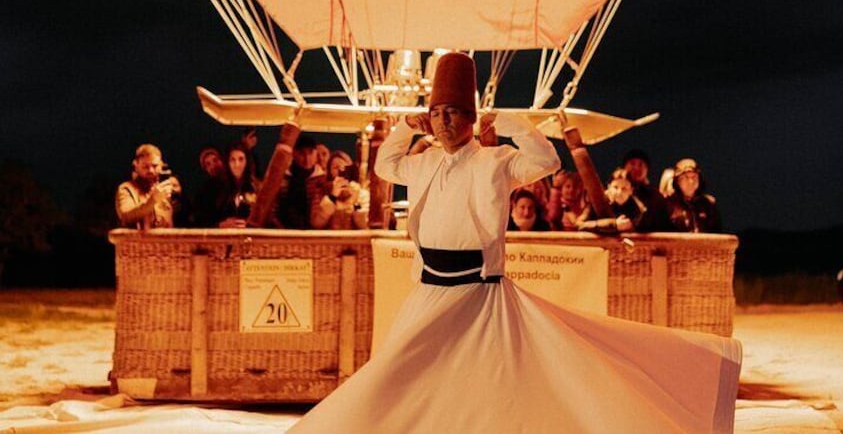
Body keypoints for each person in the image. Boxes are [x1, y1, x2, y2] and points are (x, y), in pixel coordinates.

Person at [289, 52, 741, 433]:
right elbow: (385, 164)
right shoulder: (422, 163)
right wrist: (409, 124)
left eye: (453, 113)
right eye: (438, 114)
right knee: (405, 378)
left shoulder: (496, 160)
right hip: (429, 292)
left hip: (480, 295)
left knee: (494, 384)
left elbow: (545, 160)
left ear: (470, 117)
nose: (444, 123)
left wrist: (506, 122)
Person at [115, 144, 183, 229]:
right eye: (145, 166)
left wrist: (179, 195)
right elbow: (126, 216)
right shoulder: (126, 188)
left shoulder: (168, 187)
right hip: (139, 241)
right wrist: (152, 200)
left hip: (166, 241)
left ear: (161, 165)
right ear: (136, 166)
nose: (151, 170)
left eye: (155, 166)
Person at [273, 135, 325, 229]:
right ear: (294, 153)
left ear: (316, 153)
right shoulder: (281, 178)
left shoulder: (323, 180)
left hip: (315, 234)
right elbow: (272, 210)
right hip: (284, 234)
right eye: (302, 153)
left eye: (310, 153)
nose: (307, 158)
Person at [577, 168, 648, 233]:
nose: (619, 192)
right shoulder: (598, 201)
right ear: (609, 187)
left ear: (631, 191)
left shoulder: (637, 209)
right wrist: (613, 224)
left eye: (624, 189)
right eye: (615, 187)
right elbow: (579, 224)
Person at [310, 150, 368, 230]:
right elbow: (316, 223)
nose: (340, 170)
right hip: (330, 240)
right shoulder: (321, 191)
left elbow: (364, 225)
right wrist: (332, 197)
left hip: (354, 240)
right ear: (330, 171)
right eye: (336, 167)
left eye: (344, 167)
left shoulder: (361, 193)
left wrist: (356, 201)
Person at [666, 158, 722, 233]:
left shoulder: (708, 205)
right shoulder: (667, 205)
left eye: (694, 177)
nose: (691, 181)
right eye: (686, 177)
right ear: (677, 181)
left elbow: (717, 233)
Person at [622, 148, 672, 231]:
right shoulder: (612, 192)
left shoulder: (656, 197)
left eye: (641, 164)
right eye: (632, 163)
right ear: (624, 167)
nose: (636, 168)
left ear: (647, 170)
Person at [215, 142, 259, 228]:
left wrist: (249, 225)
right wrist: (220, 225)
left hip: (249, 238)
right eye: (232, 160)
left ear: (247, 161)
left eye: (241, 159)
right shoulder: (216, 187)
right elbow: (203, 218)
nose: (237, 165)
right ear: (227, 162)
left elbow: (265, 219)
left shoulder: (257, 187)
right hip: (223, 238)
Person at [192, 146, 226, 227]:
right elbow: (200, 221)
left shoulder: (236, 182)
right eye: (208, 164)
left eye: (215, 160)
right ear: (206, 170)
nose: (213, 165)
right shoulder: (204, 193)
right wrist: (219, 225)